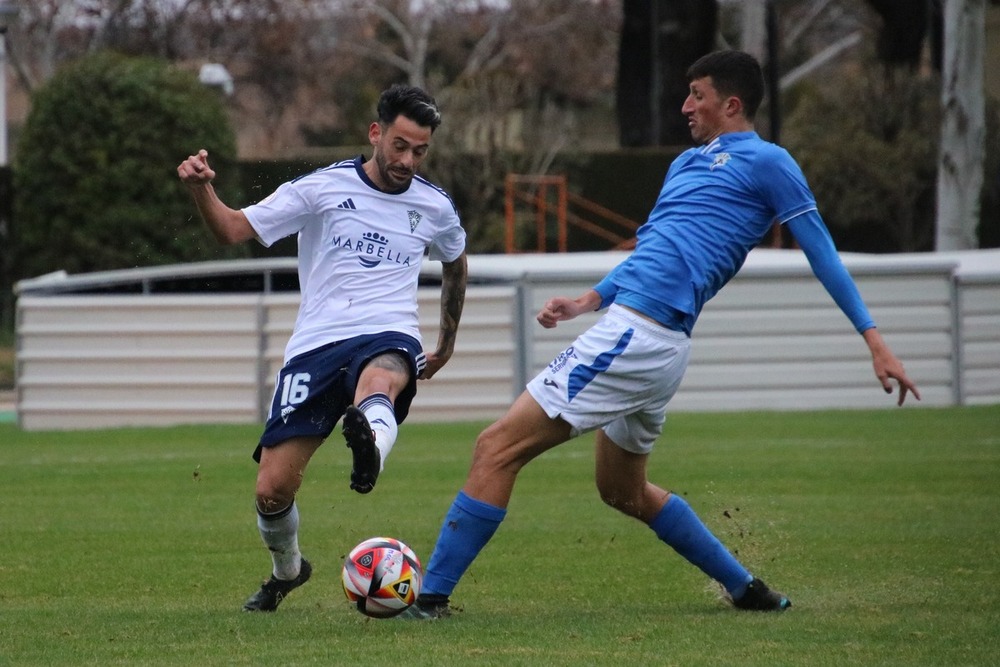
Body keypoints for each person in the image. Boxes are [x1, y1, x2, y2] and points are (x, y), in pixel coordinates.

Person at [403, 50, 920, 619]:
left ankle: (430, 599)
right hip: (646, 339)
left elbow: (823, 253)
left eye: (696, 94)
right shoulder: (684, 165)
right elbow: (652, 250)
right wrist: (587, 301)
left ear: (732, 103)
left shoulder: (770, 163)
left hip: (641, 336)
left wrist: (875, 340)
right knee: (622, 491)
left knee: (494, 448)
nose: (685, 106)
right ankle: (746, 588)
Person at [176, 84, 468, 612]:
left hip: (389, 331)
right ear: (375, 133)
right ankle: (287, 571)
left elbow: (455, 260)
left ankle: (370, 452)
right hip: (317, 343)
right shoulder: (322, 188)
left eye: (420, 151)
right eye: (400, 146)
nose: (408, 160)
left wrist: (444, 343)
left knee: (380, 378)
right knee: (272, 488)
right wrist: (202, 189)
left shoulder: (435, 206)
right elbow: (232, 229)